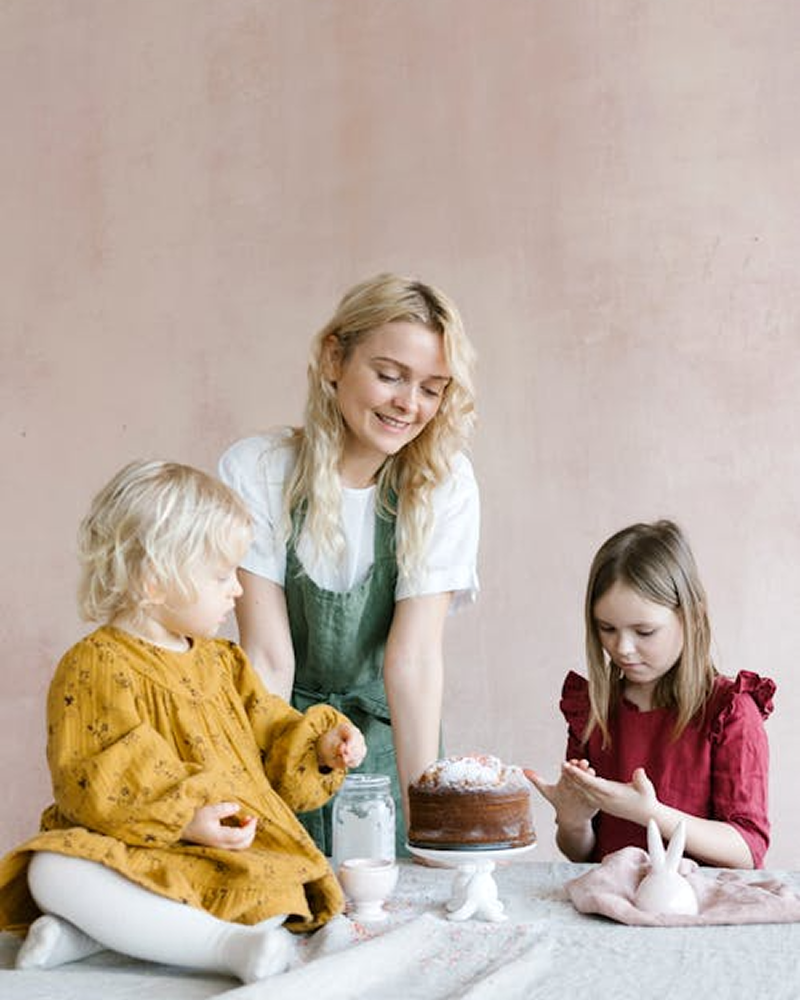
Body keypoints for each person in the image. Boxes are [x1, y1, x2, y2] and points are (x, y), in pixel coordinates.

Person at [0, 460, 366, 983]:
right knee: (54, 870)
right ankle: (224, 947)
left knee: (273, 888)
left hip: (223, 856)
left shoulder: (223, 662)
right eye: (220, 576)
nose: (237, 590)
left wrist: (321, 745)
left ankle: (88, 936)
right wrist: (182, 819)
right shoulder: (97, 663)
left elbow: (272, 733)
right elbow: (99, 773)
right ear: (153, 582)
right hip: (130, 845)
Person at [219, 273, 479, 856]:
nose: (409, 405)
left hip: (386, 750)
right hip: (282, 738)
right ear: (334, 357)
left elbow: (411, 661)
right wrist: (260, 793)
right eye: (389, 375)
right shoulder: (258, 470)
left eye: (433, 388)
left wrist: (427, 832)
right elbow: (266, 657)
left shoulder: (443, 484)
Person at [528, 519, 775, 869]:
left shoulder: (730, 711)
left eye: (644, 631)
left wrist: (651, 814)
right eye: (607, 629)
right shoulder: (594, 710)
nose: (623, 648)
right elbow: (579, 852)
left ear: (692, 617)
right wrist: (573, 820)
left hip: (700, 915)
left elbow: (748, 851)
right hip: (613, 911)